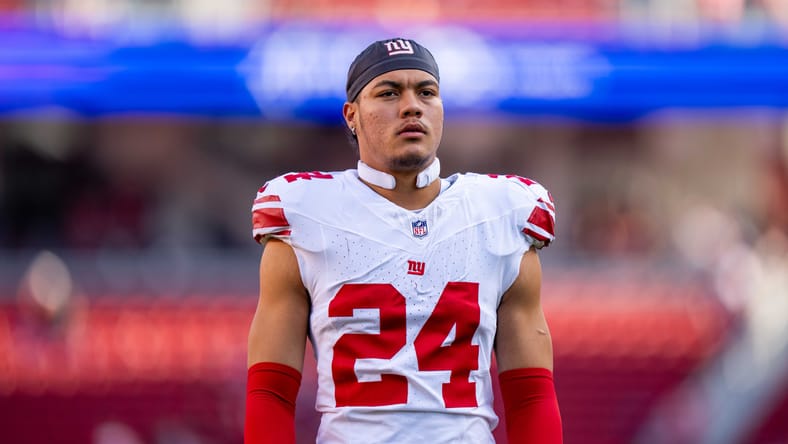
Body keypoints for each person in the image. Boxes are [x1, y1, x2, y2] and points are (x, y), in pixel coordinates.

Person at [245, 37, 562, 444]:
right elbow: (270, 393)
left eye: (426, 92)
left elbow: (531, 396)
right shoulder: (306, 213)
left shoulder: (501, 214)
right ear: (352, 115)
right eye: (389, 92)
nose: (412, 105)